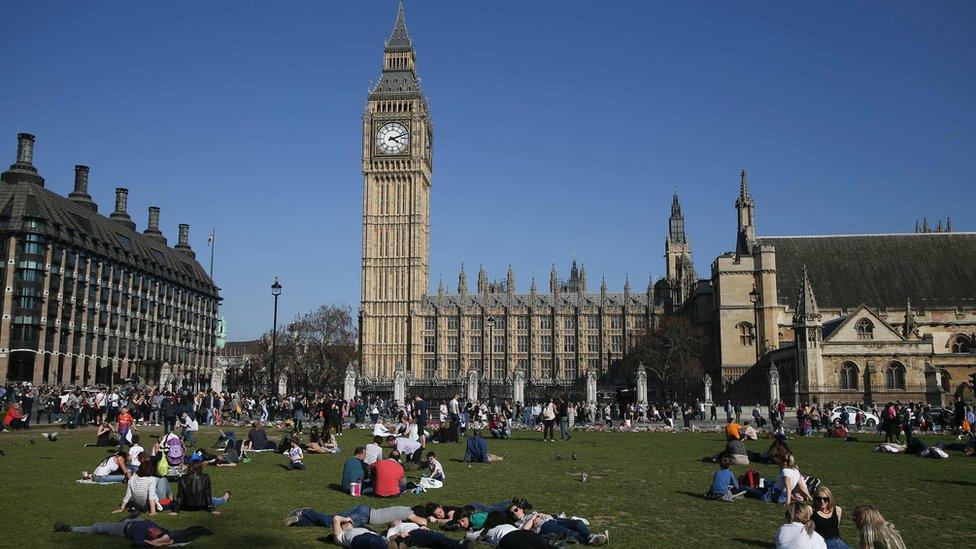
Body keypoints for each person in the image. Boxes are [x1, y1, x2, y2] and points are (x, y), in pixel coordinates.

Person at [54, 518, 212, 547]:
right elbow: (179, 534)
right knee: (133, 516)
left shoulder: (141, 535)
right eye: (157, 530)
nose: (154, 530)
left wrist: (154, 544)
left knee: (96, 528)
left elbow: (136, 543)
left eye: (154, 533)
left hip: (122, 529)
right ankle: (130, 515)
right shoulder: (156, 528)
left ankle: (68, 528)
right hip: (133, 521)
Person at [509, 502, 607, 545]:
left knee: (577, 523)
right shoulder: (518, 523)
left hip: (551, 520)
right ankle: (592, 541)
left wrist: (544, 515)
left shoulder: (529, 514)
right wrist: (534, 518)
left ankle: (591, 536)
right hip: (544, 527)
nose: (515, 513)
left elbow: (546, 515)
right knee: (571, 533)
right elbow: (525, 530)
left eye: (516, 510)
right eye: (512, 513)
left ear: (521, 509)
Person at [283, 504, 427, 529]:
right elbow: (422, 521)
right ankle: (306, 512)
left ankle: (300, 521)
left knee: (334, 520)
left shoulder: (403, 510)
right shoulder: (407, 512)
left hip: (364, 512)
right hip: (363, 516)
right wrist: (432, 520)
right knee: (330, 522)